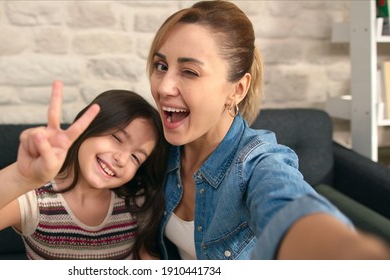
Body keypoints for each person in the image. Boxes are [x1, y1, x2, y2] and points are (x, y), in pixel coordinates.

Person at [146, 0, 390, 259]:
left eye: (189, 72)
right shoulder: (159, 147)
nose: (164, 88)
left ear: (237, 89)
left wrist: (347, 254)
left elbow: (290, 209)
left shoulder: (256, 163)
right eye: (161, 66)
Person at [0, 81, 169, 260]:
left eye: (137, 157)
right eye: (117, 138)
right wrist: (20, 178)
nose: (122, 159)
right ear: (85, 128)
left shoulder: (135, 202)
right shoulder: (36, 201)